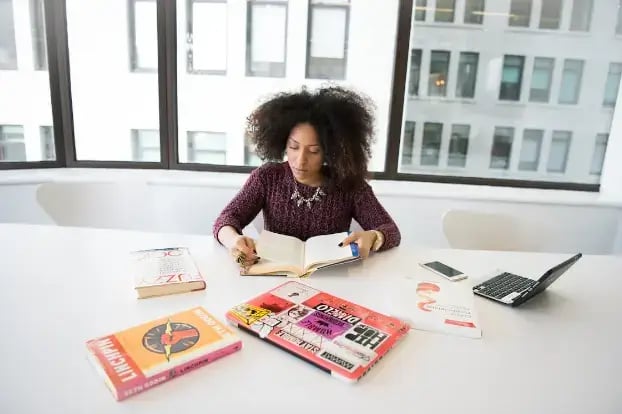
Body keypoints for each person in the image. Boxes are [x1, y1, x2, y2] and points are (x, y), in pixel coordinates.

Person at [213, 85, 401, 271]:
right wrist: (234, 241)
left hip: (334, 280)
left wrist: (373, 237)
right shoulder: (267, 177)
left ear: (329, 151)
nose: (301, 160)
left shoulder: (348, 183)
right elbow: (226, 219)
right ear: (282, 142)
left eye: (314, 151)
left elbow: (391, 231)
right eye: (294, 147)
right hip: (274, 277)